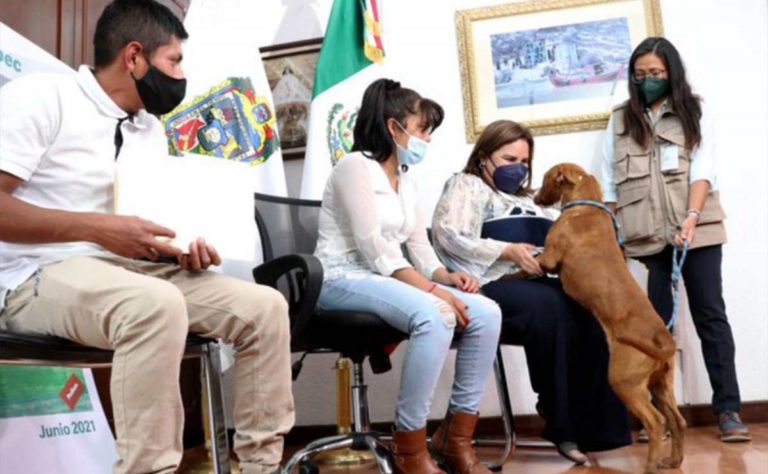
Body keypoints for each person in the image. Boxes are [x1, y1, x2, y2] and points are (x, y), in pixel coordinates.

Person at [0, 1, 294, 473]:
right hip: (36, 274)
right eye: (174, 61)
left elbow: (146, 226)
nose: (181, 75)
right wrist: (96, 229)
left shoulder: (148, 129)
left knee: (265, 308)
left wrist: (182, 253)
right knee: (156, 304)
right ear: (134, 57)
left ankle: (261, 466)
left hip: (133, 272)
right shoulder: (44, 96)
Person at [313, 78, 502, 474]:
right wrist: (434, 293)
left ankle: (455, 439)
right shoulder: (354, 167)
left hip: (382, 278)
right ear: (393, 127)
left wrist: (447, 277)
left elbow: (417, 244)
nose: (427, 139)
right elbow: (374, 247)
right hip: (340, 279)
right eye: (422, 129)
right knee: (435, 314)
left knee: (487, 312)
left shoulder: (406, 176)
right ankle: (410, 450)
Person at [431, 119, 632, 465]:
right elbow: (449, 235)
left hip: (536, 281)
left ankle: (598, 427)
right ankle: (560, 421)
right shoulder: (467, 185)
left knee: (590, 309)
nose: (518, 168)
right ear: (483, 157)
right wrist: (507, 251)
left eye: (524, 162)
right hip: (488, 285)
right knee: (548, 306)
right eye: (509, 159)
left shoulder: (534, 201)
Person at [601, 36, 750, 442]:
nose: (647, 80)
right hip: (645, 234)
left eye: (656, 73)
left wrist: (692, 216)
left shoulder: (695, 111)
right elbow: (610, 182)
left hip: (697, 230)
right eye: (640, 74)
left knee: (710, 316)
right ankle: (659, 415)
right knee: (653, 328)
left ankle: (728, 410)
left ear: (671, 73)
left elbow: (704, 168)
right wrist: (613, 234)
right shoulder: (620, 120)